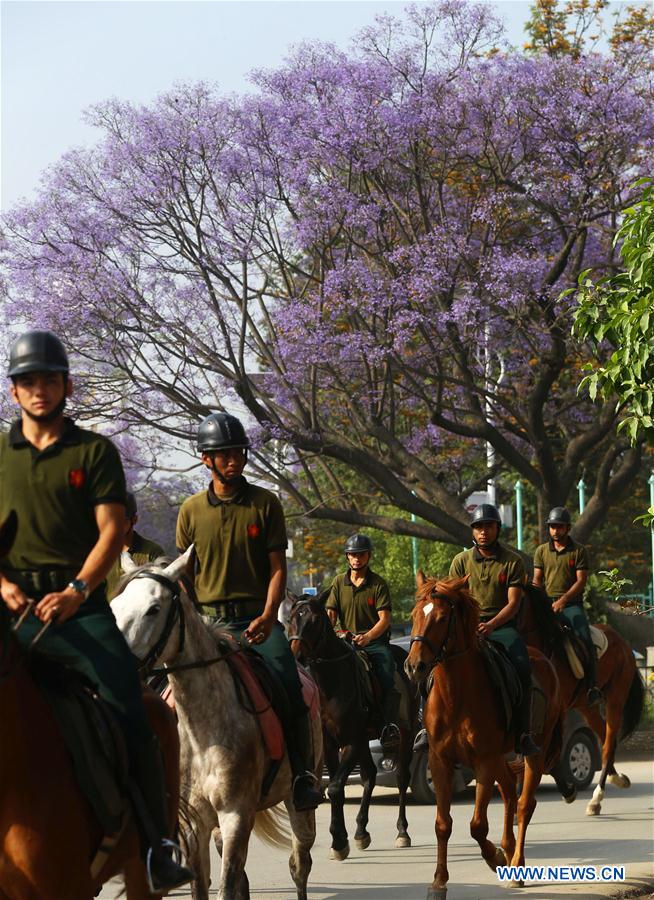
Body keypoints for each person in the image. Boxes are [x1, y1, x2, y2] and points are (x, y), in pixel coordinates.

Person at [0, 330, 192, 893]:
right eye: (28, 381)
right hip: (13, 609)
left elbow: (111, 532)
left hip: (77, 610)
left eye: (50, 380)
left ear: (66, 386)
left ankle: (158, 845)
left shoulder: (94, 453)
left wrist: (80, 590)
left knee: (133, 709)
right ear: (15, 392)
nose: (39, 390)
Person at [176, 411, 322, 811]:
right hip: (207, 622)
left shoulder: (265, 503)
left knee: (289, 684)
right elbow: (185, 576)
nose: (233, 460)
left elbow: (278, 568)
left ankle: (303, 777)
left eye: (237, 452)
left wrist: (269, 613)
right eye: (223, 454)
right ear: (206, 458)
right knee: (162, 692)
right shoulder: (189, 511)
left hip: (255, 621)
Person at [449, 504, 540, 757]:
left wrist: (490, 625)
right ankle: (427, 728)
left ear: (497, 529)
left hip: (501, 627)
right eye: (478, 527)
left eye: (488, 526)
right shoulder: (460, 562)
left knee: (523, 667)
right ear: (472, 532)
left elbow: (513, 604)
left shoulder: (513, 562)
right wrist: (469, 625)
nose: (483, 532)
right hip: (468, 628)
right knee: (434, 668)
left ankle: (522, 733)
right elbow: (455, 599)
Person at [325, 533, 400, 754]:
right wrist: (332, 634)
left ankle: (388, 725)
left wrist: (368, 637)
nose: (356, 559)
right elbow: (331, 614)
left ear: (368, 556)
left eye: (360, 554)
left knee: (387, 675)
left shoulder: (378, 584)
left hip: (374, 643)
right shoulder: (338, 581)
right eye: (352, 555)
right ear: (347, 557)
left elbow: (385, 619)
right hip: (346, 641)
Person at [533, 507, 602, 705]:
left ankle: (592, 687)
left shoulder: (579, 550)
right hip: (547, 603)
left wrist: (563, 601)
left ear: (567, 528)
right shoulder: (541, 551)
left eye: (559, 527)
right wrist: (535, 598)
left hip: (571, 605)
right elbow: (537, 580)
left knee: (585, 638)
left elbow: (580, 582)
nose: (555, 530)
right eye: (552, 526)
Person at [106, 491, 166, 599]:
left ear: (134, 519)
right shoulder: (99, 552)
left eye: (121, 520)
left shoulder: (152, 552)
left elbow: (162, 592)